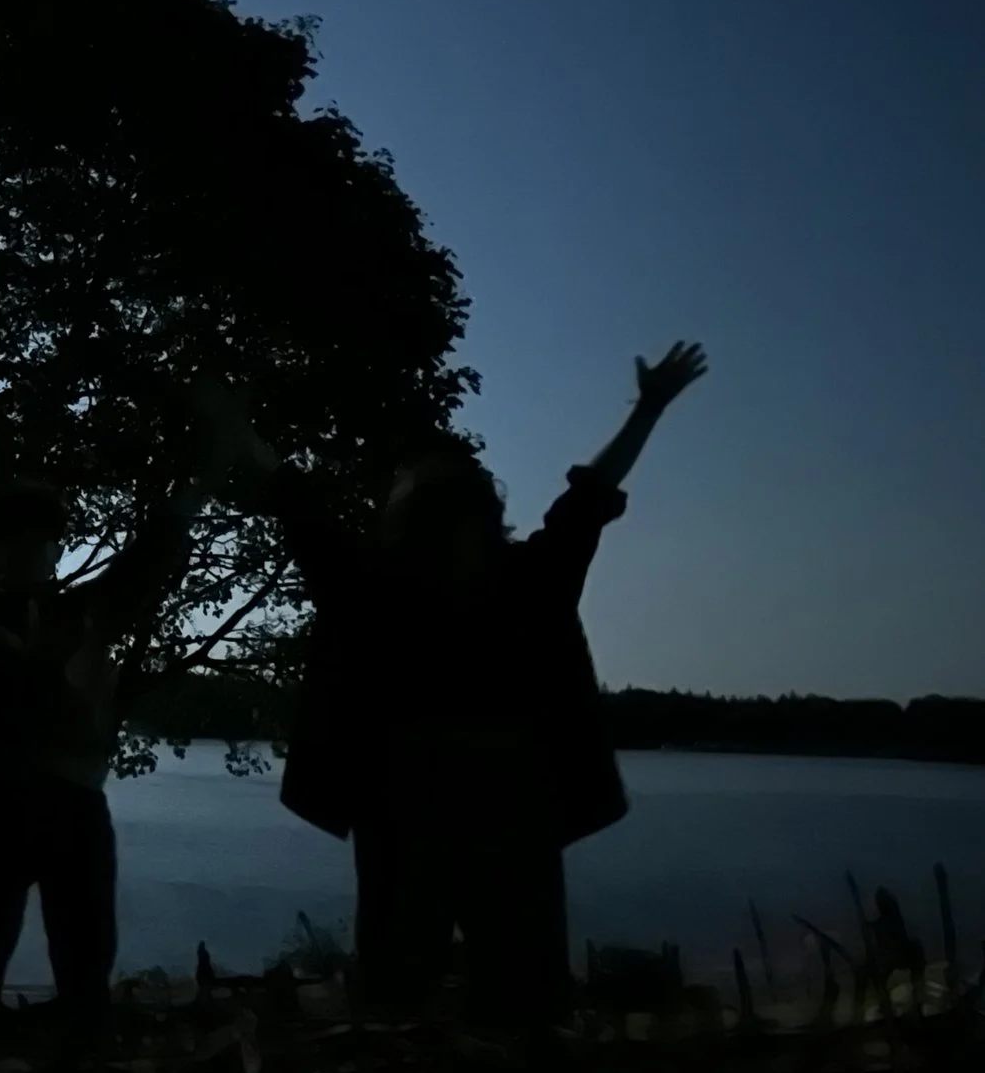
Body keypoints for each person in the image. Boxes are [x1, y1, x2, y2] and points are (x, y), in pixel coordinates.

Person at [215, 341, 710, 1028]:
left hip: (465, 806)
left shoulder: (430, 584)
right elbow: (586, 502)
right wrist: (649, 408)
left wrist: (649, 409)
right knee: (444, 989)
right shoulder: (416, 584)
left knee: (472, 990)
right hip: (450, 806)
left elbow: (298, 505)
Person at [0, 388, 258, 1032]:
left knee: (85, 970)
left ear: (54, 549)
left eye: (37, 541)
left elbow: (160, 545)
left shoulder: (87, 613)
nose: (24, 553)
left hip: (75, 808)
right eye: (8, 542)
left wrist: (213, 462)